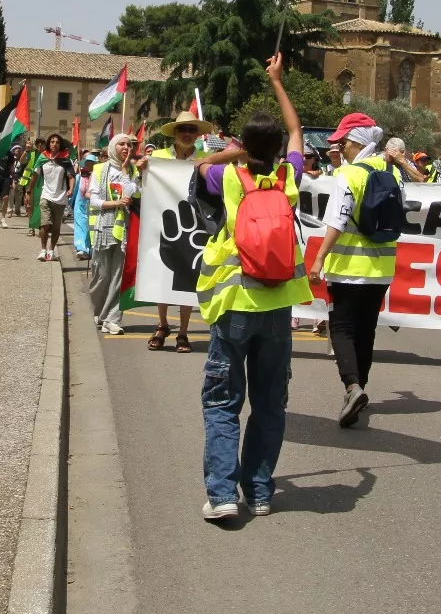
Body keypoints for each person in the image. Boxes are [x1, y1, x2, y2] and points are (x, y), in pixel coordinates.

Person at [191, 54, 311, 520]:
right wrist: (277, 82)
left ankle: (222, 495)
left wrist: (235, 153)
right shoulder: (289, 178)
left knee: (223, 401)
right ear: (279, 148)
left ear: (244, 144)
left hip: (234, 304)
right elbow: (297, 131)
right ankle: (259, 491)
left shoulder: (229, 178)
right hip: (278, 307)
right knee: (269, 403)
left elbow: (202, 162)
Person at [307, 111, 403, 427]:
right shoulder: (392, 172)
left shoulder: (349, 174)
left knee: (342, 328)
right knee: (366, 331)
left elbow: (338, 220)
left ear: (356, 142)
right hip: (382, 268)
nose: (340, 148)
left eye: (343, 142)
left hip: (348, 268)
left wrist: (319, 259)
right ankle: (358, 390)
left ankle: (352, 387)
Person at [138, 110, 216, 352]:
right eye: (183, 129)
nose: (187, 133)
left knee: (189, 275)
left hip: (194, 225)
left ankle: (183, 332)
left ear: (197, 134)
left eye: (192, 130)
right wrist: (141, 170)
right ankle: (162, 325)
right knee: (162, 271)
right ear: (174, 133)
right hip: (164, 222)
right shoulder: (157, 157)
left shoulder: (206, 158)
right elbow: (143, 186)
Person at [87, 134, 139, 335]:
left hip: (125, 228)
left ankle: (112, 319)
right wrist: (116, 203)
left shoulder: (133, 171)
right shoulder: (100, 169)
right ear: (112, 147)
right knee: (102, 275)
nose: (126, 147)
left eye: (129, 145)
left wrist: (125, 170)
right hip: (103, 227)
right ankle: (98, 312)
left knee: (119, 276)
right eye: (121, 144)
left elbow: (132, 193)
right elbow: (94, 200)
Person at [37, 135, 73, 262]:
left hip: (60, 198)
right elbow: (35, 174)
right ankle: (43, 250)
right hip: (45, 195)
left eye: (57, 142)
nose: (54, 144)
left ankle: (51, 250)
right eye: (52, 142)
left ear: (60, 145)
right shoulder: (43, 157)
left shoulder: (65, 159)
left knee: (56, 227)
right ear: (48, 144)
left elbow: (71, 176)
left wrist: (71, 189)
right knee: (45, 224)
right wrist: (29, 191)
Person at [72, 152, 98, 260]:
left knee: (89, 227)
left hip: (92, 205)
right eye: (87, 162)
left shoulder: (97, 176)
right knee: (79, 226)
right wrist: (72, 202)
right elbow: (75, 191)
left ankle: (88, 249)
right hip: (79, 205)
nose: (89, 164)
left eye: (91, 162)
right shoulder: (79, 176)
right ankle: (81, 248)